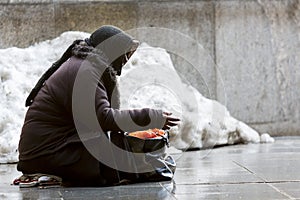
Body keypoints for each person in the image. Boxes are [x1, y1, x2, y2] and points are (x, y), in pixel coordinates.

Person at [17, 25, 179, 186]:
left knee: (122, 148)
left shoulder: (86, 65)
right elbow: (102, 117)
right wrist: (149, 116)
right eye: (122, 56)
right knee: (120, 155)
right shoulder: (85, 71)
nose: (123, 63)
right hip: (46, 153)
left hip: (50, 149)